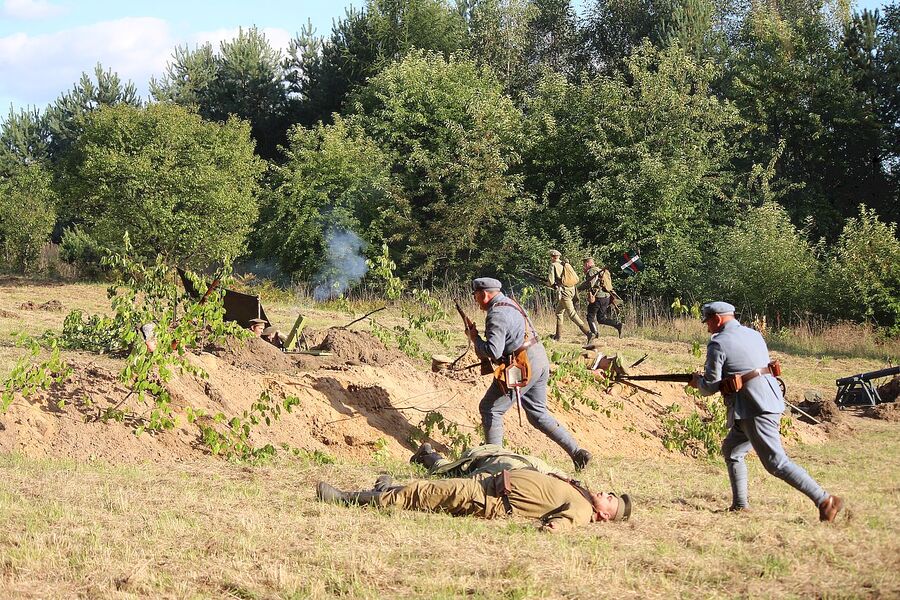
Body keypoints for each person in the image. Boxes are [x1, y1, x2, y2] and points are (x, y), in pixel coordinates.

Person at [688, 301, 844, 522]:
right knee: (732, 450)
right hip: (763, 402)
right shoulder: (754, 335)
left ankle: (825, 501)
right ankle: (740, 506)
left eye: (708, 322)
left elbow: (710, 387)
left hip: (753, 408)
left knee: (776, 463)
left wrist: (698, 382)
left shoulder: (718, 343)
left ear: (717, 319)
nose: (707, 327)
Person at [467, 277, 592, 471]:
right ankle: (577, 453)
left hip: (522, 364)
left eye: (476, 295)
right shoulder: (510, 303)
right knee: (537, 413)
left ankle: (494, 465)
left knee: (490, 408)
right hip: (538, 358)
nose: (475, 299)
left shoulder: (496, 314)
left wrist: (475, 339)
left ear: (484, 294)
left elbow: (493, 351)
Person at [316, 469, 631, 532]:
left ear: (603, 517)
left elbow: (558, 527)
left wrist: (550, 529)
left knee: (421, 494)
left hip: (489, 499)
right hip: (490, 486)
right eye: (609, 493)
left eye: (609, 500)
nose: (604, 494)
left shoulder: (581, 511)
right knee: (431, 489)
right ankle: (384, 489)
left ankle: (345, 499)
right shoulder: (581, 495)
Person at [408, 442, 569, 479]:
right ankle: (426, 454)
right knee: (447, 472)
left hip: (496, 450)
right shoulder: (501, 472)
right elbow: (471, 485)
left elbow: (560, 475)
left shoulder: (539, 467)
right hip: (478, 456)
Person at [546, 250, 592, 342]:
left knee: (572, 314)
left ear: (553, 257)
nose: (551, 258)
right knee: (559, 312)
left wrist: (548, 284)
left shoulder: (553, 265)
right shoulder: (565, 264)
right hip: (572, 290)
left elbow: (550, 281)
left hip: (564, 292)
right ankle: (558, 336)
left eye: (551, 256)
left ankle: (588, 333)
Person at [578, 257, 623, 343]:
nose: (584, 267)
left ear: (587, 264)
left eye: (584, 264)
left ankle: (594, 334)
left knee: (590, 316)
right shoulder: (600, 270)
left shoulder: (591, 271)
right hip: (606, 297)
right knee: (601, 318)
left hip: (598, 297)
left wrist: (578, 289)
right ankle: (618, 325)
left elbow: (589, 284)